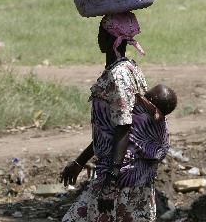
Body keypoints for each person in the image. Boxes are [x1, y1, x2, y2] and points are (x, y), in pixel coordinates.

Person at [60, 12, 171, 222]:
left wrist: (111, 180)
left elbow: (124, 127)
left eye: (101, 33)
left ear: (112, 38)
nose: (98, 38)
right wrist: (80, 162)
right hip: (124, 173)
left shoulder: (118, 76)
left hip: (122, 178)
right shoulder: (130, 68)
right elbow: (110, 129)